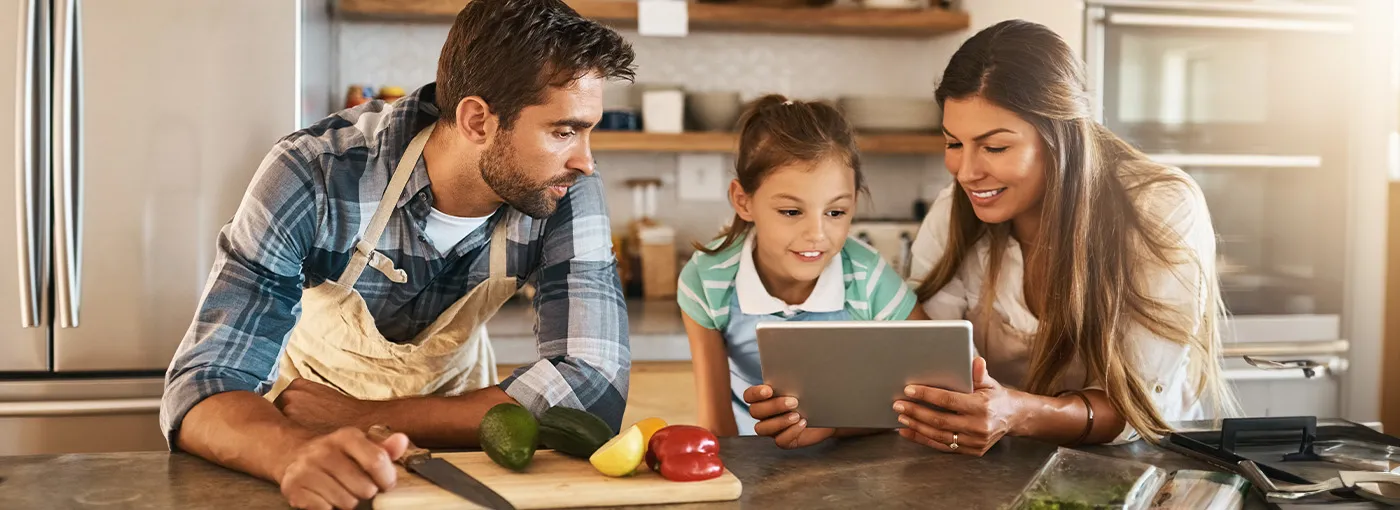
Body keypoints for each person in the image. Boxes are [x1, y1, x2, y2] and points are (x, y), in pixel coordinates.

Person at [159, 0, 636, 508]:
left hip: (462, 453)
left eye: (587, 131)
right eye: (563, 132)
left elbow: (592, 391)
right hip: (300, 451)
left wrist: (357, 417)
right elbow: (203, 385)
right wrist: (292, 452)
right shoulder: (316, 173)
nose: (585, 161)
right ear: (477, 121)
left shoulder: (563, 188)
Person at [891, 20, 1239, 457]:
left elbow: (1136, 406)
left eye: (995, 147)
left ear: (1061, 139)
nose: (966, 171)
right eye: (953, 143)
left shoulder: (1159, 208)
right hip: (1002, 464)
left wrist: (1016, 413)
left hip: (1146, 463)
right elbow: (930, 364)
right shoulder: (954, 210)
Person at [677, 95, 917, 445]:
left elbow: (931, 394)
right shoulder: (708, 278)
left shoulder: (868, 277)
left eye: (835, 213)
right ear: (743, 201)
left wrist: (832, 426)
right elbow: (716, 424)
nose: (817, 235)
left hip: (858, 461)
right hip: (752, 458)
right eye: (791, 212)